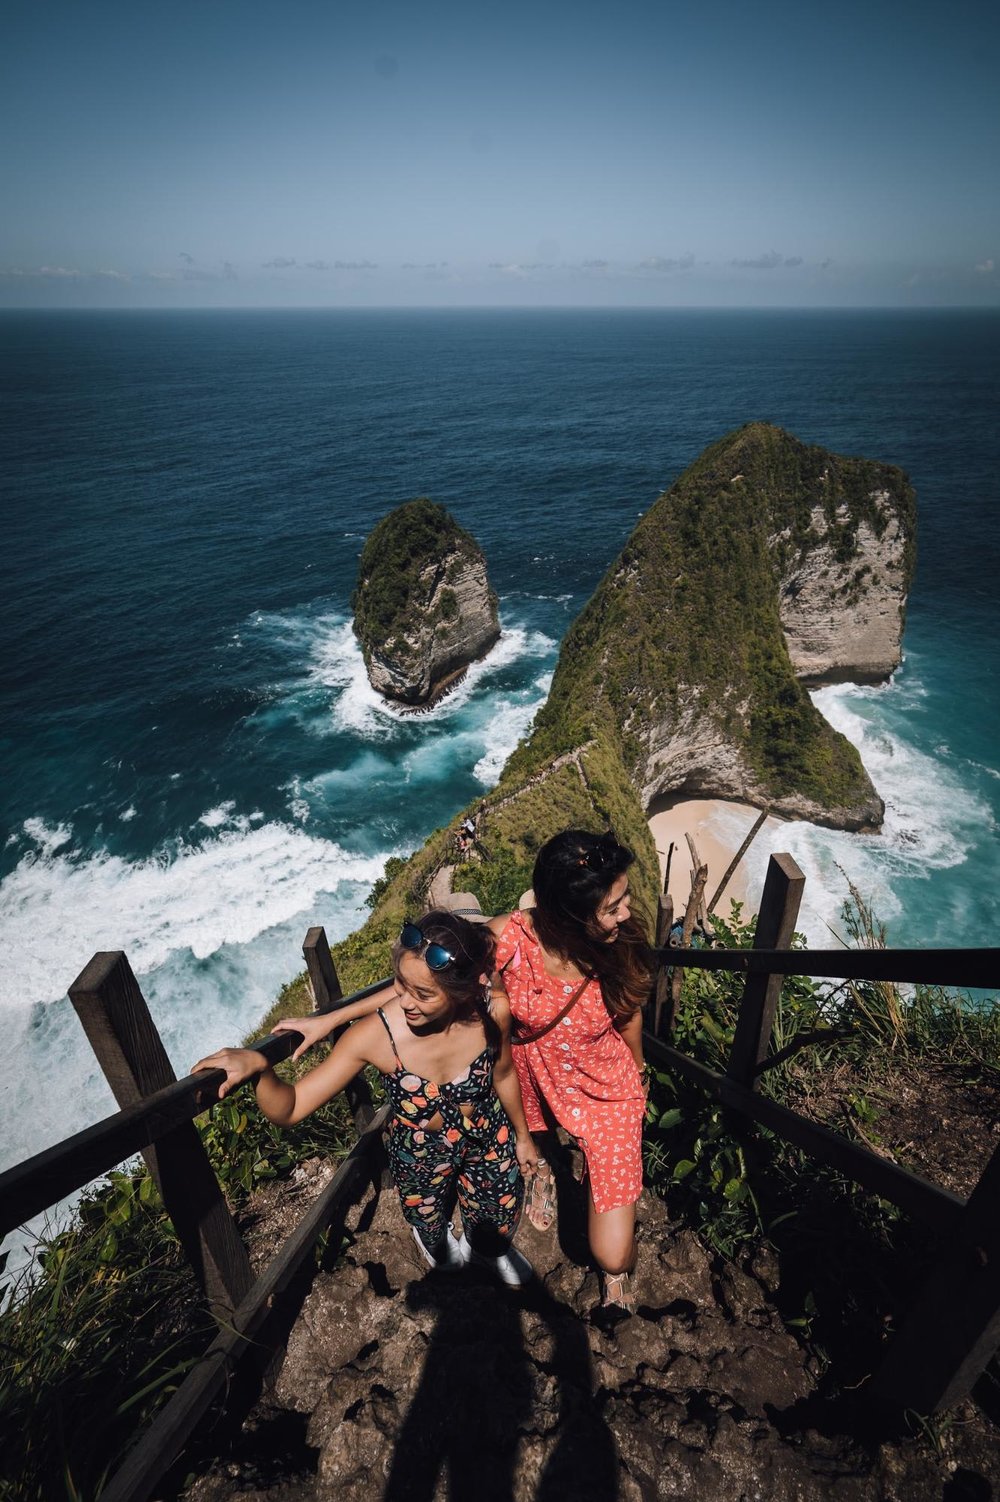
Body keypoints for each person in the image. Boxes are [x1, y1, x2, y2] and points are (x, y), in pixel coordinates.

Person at [192, 912, 537, 1285]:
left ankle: (485, 1249)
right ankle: (435, 1244)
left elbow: (502, 1073)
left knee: (496, 1208)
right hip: (420, 1154)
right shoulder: (374, 1037)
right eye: (400, 985)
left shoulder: (491, 1013)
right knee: (429, 1219)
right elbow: (290, 1108)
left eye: (423, 994)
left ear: (464, 991)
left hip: (486, 1139)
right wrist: (261, 1069)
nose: (405, 1001)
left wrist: (523, 1136)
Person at [488, 829, 652, 1316]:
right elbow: (430, 977)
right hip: (538, 1077)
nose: (626, 914)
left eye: (623, 898)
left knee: (610, 1254)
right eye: (612, 906)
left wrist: (639, 1072)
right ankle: (543, 1166)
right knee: (539, 1141)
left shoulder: (619, 942)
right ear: (568, 914)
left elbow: (629, 1016)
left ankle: (617, 1267)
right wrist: (327, 1019)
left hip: (606, 1091)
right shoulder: (514, 939)